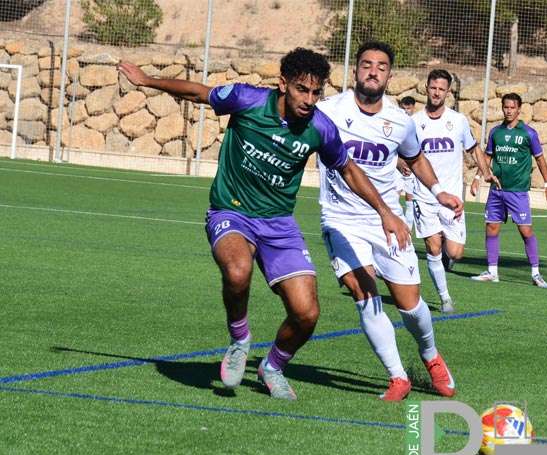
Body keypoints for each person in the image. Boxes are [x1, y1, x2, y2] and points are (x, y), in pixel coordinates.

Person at [118, 48, 408, 400]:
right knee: (238, 271)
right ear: (283, 84)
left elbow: (347, 169)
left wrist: (384, 211)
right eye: (302, 89)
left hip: (279, 224)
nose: (309, 100)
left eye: (317, 93)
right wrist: (148, 81)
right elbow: (198, 92)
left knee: (307, 313)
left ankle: (272, 366)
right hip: (231, 211)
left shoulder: (320, 128)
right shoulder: (247, 100)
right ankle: (240, 339)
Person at [317, 41, 463, 401]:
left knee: (411, 306)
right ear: (355, 70)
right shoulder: (327, 112)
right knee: (362, 292)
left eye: (381, 67)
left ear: (389, 75)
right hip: (340, 218)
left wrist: (439, 191)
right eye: (366, 64)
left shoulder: (399, 120)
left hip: (389, 221)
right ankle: (398, 377)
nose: (372, 71)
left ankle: (429, 354)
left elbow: (415, 159)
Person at [411, 69, 495, 312]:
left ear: (448, 93)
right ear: (426, 88)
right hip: (424, 195)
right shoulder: (415, 122)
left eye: (442, 89)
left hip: (452, 198)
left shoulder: (457, 121)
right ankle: (445, 297)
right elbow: (405, 153)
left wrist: (486, 171)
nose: (437, 93)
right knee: (433, 248)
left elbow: (473, 149)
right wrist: (403, 166)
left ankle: (447, 257)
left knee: (455, 252)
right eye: (433, 87)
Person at [471, 92, 547, 287]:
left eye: (512, 107)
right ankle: (492, 271)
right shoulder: (495, 133)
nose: (508, 111)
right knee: (491, 227)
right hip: (497, 190)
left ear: (519, 109)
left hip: (517, 191)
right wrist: (477, 177)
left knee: (526, 231)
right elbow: (487, 157)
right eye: (505, 107)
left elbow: (540, 159)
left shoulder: (529, 133)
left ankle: (535, 273)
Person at [397, 95, 418, 227]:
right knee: (393, 199)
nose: (406, 111)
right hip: (397, 169)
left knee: (410, 202)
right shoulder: (396, 123)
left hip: (411, 169)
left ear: (413, 108)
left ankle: (408, 235)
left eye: (408, 109)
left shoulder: (416, 125)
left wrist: (411, 166)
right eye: (403, 108)